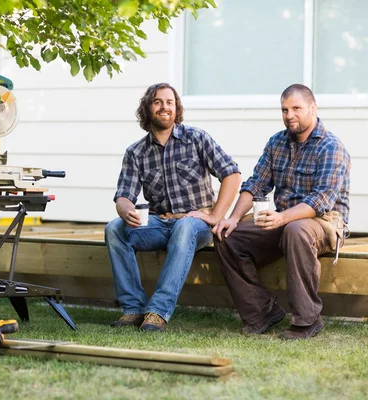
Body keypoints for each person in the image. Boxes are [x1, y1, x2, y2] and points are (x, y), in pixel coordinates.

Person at [212, 84, 351, 340]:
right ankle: (262, 312)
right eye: (285, 110)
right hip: (285, 220)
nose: (290, 115)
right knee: (228, 236)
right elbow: (256, 184)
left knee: (296, 230)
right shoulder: (277, 142)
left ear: (313, 108)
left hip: (324, 222)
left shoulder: (331, 147)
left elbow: (321, 201)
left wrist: (283, 218)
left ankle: (307, 320)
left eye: (296, 108)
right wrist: (231, 219)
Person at [105, 83, 241, 331]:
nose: (164, 106)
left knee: (186, 226)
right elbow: (124, 196)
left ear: (177, 108)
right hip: (159, 223)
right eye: (157, 102)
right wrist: (125, 211)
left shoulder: (196, 138)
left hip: (196, 225)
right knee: (114, 228)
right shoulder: (136, 152)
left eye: (170, 102)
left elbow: (231, 175)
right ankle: (133, 309)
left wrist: (215, 216)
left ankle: (158, 310)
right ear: (148, 108)